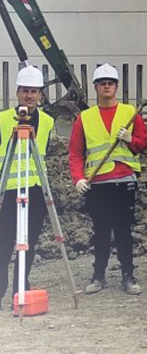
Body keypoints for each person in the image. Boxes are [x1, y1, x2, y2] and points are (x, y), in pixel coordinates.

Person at [69, 64, 147, 296]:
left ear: (116, 87)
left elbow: (142, 144)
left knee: (124, 231)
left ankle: (128, 276)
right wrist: (78, 179)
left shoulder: (129, 112)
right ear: (95, 87)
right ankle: (98, 275)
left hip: (124, 181)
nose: (106, 87)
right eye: (102, 83)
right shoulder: (85, 118)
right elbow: (75, 153)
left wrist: (130, 137)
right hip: (97, 184)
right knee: (100, 231)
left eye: (110, 83)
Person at [0, 66, 54, 309]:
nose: (29, 96)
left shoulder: (48, 122)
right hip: (8, 191)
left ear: (40, 94)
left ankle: (19, 291)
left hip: (35, 190)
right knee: (4, 243)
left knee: (28, 244)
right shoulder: (2, 120)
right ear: (17, 92)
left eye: (34, 91)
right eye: (25, 91)